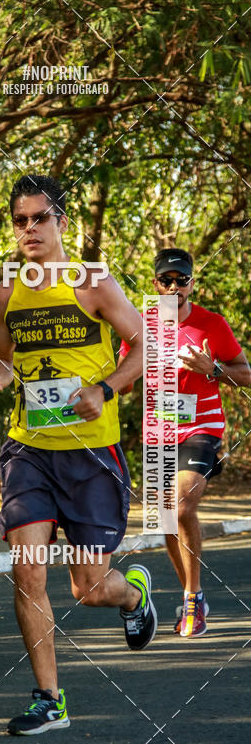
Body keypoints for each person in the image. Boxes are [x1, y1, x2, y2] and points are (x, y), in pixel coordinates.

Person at [0, 174, 157, 736]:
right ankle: (49, 700)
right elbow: (5, 358)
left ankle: (132, 597)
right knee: (27, 570)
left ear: (61, 223)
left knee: (87, 586)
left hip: (90, 454)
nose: (29, 229)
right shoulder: (6, 292)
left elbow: (145, 347)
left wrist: (103, 390)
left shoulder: (91, 283)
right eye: (20, 220)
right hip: (27, 448)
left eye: (40, 218)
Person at [118, 249, 251, 637]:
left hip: (201, 427)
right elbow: (125, 382)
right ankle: (192, 593)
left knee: (180, 504)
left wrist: (215, 369)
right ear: (155, 284)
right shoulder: (140, 325)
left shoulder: (212, 324)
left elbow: (245, 373)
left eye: (181, 280)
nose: (174, 287)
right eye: (166, 281)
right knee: (164, 518)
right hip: (159, 431)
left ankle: (192, 601)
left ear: (193, 283)